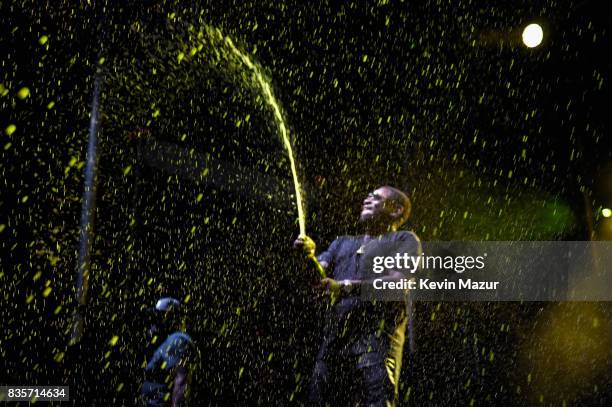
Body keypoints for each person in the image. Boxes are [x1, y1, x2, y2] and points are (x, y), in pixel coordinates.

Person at [294, 186, 421, 406]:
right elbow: (319, 279)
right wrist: (309, 258)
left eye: (376, 197)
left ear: (396, 210)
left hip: (376, 345)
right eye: (367, 195)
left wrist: (343, 287)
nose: (366, 199)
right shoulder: (341, 243)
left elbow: (398, 285)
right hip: (335, 342)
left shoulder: (404, 240)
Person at [140, 297, 196, 407]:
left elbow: (181, 382)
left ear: (172, 317)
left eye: (159, 315)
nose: (154, 320)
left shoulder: (177, 340)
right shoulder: (167, 341)